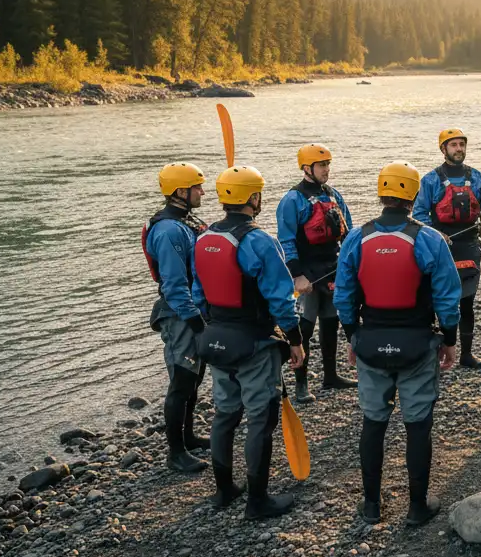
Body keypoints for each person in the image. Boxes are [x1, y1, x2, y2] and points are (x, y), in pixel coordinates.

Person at [334, 161, 461, 527]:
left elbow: (343, 296)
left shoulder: (356, 238)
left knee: (374, 423)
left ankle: (371, 505)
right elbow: (447, 299)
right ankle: (416, 507)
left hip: (371, 343)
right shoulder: (431, 239)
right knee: (417, 424)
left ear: (381, 193)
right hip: (418, 344)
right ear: (413, 196)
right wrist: (449, 341)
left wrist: (351, 338)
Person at [192, 165, 305, 519]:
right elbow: (281, 298)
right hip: (255, 343)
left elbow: (198, 293)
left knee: (225, 413)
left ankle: (224, 490)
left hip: (216, 340)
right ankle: (258, 500)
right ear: (253, 198)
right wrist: (296, 339)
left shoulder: (204, 238)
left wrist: (215, 327)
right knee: (261, 416)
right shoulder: (259, 241)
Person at [412, 129, 481, 369]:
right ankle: (434, 352)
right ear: (443, 149)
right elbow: (418, 215)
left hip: (468, 246)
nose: (459, 149)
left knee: (466, 302)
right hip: (441, 247)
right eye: (453, 145)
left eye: (461, 144)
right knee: (436, 300)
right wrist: (437, 234)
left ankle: (466, 354)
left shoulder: (477, 178)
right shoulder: (430, 180)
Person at [142, 162, 210, 474]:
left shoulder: (185, 221)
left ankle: (190, 436)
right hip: (180, 314)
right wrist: (196, 322)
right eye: (197, 187)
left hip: (196, 310)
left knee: (194, 378)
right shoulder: (168, 231)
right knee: (181, 380)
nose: (202, 191)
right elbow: (173, 284)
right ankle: (176, 452)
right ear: (180, 191)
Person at [276, 143, 356, 403]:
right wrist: (297, 275)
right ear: (307, 168)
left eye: (328, 165)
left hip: (332, 266)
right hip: (306, 270)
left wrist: (351, 263)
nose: (327, 170)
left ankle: (331, 376)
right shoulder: (292, 200)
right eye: (322, 165)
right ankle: (301, 385)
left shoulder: (333, 195)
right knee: (305, 328)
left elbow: (349, 231)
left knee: (331, 321)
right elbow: (286, 241)